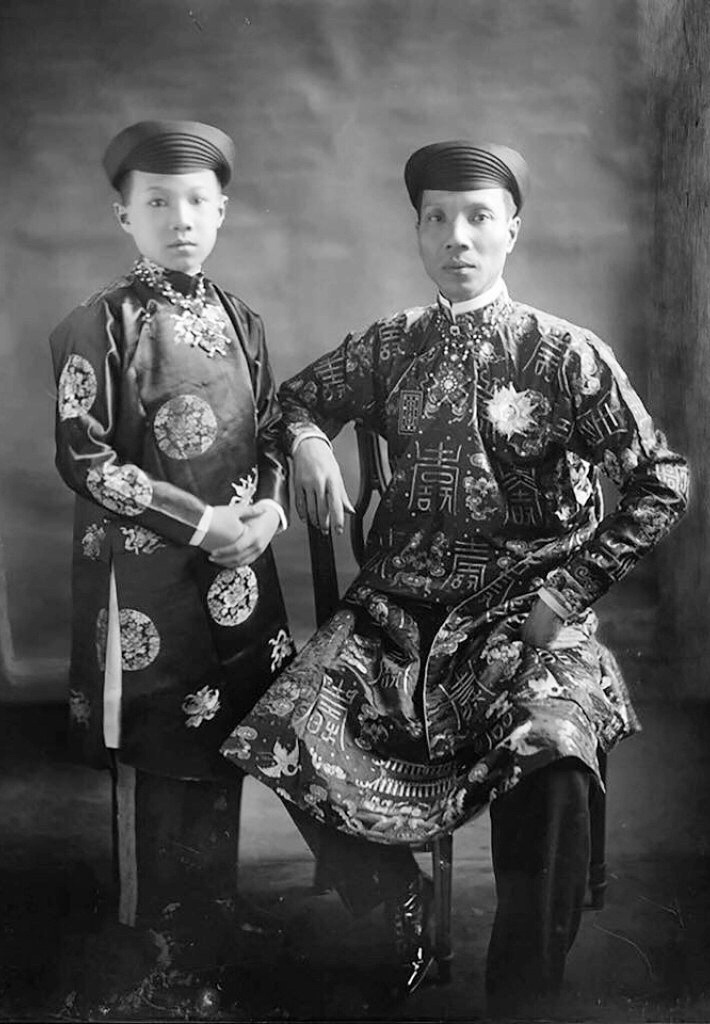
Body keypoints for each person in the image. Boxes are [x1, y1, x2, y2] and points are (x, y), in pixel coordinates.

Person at [221, 139, 690, 1017]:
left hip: (525, 620)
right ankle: (392, 906)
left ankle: (523, 987)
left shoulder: (566, 354)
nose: (456, 237)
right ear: (418, 232)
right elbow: (291, 399)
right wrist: (311, 440)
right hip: (395, 619)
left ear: (513, 229)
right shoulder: (393, 344)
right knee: (280, 722)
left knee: (554, 745)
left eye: (478, 217)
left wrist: (568, 591)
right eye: (436, 218)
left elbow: (663, 481)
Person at [49, 120, 294, 1000]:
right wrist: (199, 523)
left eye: (197, 201)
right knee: (164, 747)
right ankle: (164, 936)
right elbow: (85, 459)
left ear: (221, 211)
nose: (180, 218)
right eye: (157, 202)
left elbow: (272, 429)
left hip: (240, 566)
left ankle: (213, 910)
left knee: (229, 736)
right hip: (149, 577)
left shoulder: (241, 319)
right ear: (125, 215)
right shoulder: (99, 323)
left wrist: (268, 509)